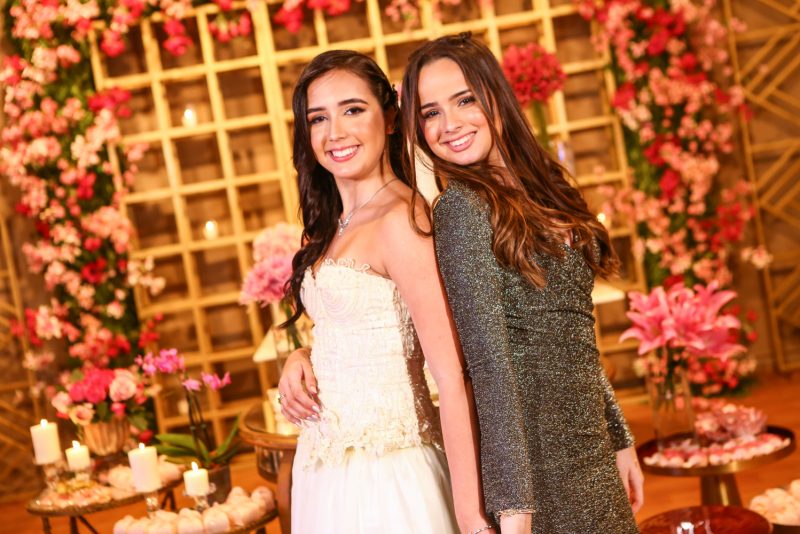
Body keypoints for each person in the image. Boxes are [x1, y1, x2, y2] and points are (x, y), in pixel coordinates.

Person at [399, 34, 644, 534]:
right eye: (430, 113)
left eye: (464, 100)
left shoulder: (547, 186)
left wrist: (619, 436)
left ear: (495, 96)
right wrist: (513, 504)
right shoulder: (462, 209)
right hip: (534, 460)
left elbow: (575, 335)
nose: (449, 124)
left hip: (590, 444)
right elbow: (488, 364)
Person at [275, 50, 494, 534]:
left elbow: (453, 376)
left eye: (353, 110)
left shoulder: (402, 219)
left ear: (391, 118)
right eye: (318, 118)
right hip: (325, 470)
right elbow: (356, 330)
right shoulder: (334, 223)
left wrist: (472, 515)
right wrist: (302, 355)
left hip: (388, 476)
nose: (335, 132)